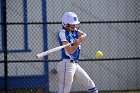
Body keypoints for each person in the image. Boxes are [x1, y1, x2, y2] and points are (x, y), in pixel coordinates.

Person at [57, 12, 98, 93]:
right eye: (72, 24)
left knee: (90, 85)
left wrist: (82, 37)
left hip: (75, 64)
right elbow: (70, 51)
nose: (75, 26)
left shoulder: (74, 31)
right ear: (66, 24)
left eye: (75, 24)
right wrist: (76, 44)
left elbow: (84, 34)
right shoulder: (63, 34)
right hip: (67, 65)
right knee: (64, 90)